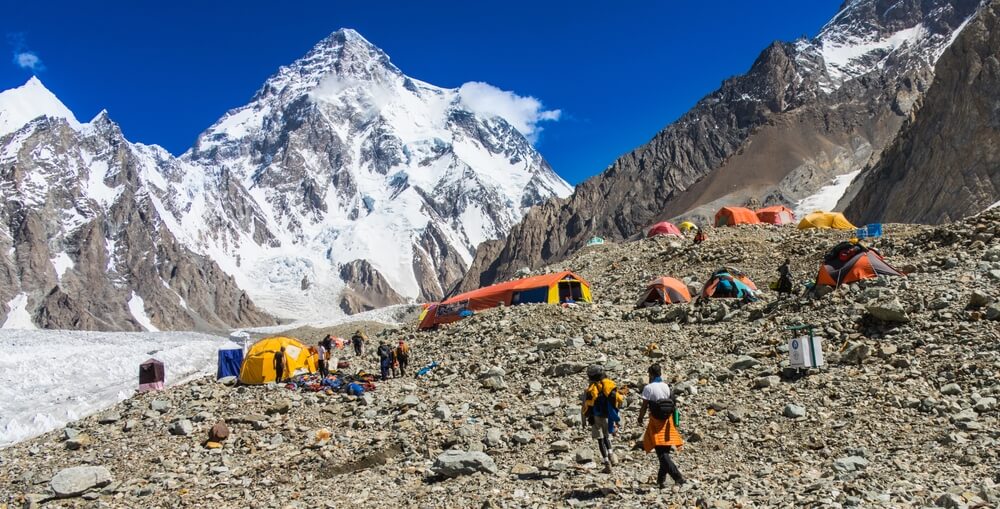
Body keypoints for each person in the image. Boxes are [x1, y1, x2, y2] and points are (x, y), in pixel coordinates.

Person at [637, 364, 685, 489]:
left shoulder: (648, 388)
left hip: (656, 422)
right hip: (668, 422)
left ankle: (678, 477)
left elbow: (644, 406)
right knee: (665, 451)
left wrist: (640, 418)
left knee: (662, 454)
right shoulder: (666, 386)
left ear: (651, 374)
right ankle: (660, 480)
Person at [580, 365, 623, 473]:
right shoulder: (608, 386)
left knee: (600, 440)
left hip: (596, 417)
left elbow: (584, 406)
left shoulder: (589, 390)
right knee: (606, 437)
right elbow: (618, 401)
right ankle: (612, 456)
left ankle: (607, 463)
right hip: (607, 416)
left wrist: (584, 421)